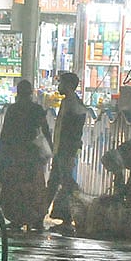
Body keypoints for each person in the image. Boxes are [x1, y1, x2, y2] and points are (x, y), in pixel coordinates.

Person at [0, 79, 52, 232]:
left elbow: (5, 133)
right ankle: (37, 219)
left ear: (18, 93)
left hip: (15, 154)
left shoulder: (13, 109)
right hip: (33, 154)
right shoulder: (37, 109)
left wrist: (2, 154)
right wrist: (50, 148)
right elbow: (45, 130)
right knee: (35, 187)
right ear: (31, 93)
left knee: (15, 187)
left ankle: (17, 219)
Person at [46, 71, 87, 232]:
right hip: (60, 151)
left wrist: (69, 152)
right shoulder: (69, 103)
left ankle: (68, 218)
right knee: (55, 182)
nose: (59, 86)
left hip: (66, 151)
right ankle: (41, 214)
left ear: (69, 86)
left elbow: (73, 133)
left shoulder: (74, 106)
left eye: (61, 83)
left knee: (66, 183)